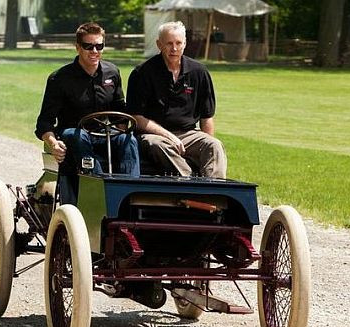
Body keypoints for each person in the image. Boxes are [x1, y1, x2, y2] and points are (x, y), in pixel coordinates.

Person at [35, 22, 140, 203]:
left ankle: (130, 195)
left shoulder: (112, 72)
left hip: (105, 133)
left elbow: (120, 110)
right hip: (73, 135)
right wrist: (53, 144)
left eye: (99, 46)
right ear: (77, 47)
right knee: (78, 135)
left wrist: (122, 130)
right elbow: (44, 122)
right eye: (88, 46)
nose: (94, 51)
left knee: (128, 140)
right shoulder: (59, 78)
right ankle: (96, 195)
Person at [126, 21, 226, 179]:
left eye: (178, 43)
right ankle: (191, 181)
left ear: (185, 44)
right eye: (169, 44)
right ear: (159, 44)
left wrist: (206, 141)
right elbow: (137, 118)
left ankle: (216, 193)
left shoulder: (199, 72)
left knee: (214, 145)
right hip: (154, 135)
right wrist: (168, 136)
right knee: (156, 144)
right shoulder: (142, 73)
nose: (174, 49)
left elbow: (207, 117)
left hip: (189, 133)